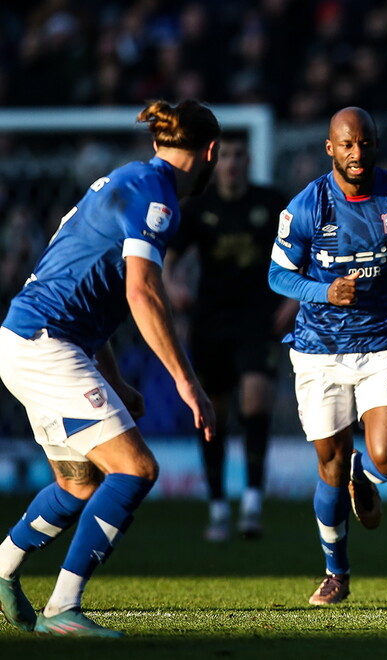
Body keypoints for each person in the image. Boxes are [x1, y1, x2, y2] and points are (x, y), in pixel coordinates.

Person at [0, 100, 219, 637]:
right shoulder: (158, 199)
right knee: (136, 469)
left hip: (25, 339)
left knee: (78, 484)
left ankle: (1, 568)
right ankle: (63, 607)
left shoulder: (127, 181)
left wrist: (115, 379)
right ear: (210, 153)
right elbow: (142, 293)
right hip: (47, 344)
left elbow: (94, 293)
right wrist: (187, 382)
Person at [268, 107, 387, 606]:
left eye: (365, 143)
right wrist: (324, 292)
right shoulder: (307, 206)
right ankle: (336, 573)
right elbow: (277, 275)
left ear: (376, 144)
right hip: (318, 350)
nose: (356, 153)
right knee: (328, 466)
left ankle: (363, 475)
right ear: (330, 148)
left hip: (383, 343)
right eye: (347, 144)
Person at [164, 131, 297, 542]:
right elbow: (168, 258)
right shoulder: (199, 207)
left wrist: (294, 300)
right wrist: (171, 284)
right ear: (215, 161)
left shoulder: (271, 203)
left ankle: (253, 501)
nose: (233, 163)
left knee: (256, 399)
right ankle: (218, 505)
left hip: (259, 319)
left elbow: (304, 251)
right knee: (213, 413)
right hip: (211, 322)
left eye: (240, 155)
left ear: (249, 160)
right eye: (226, 156)